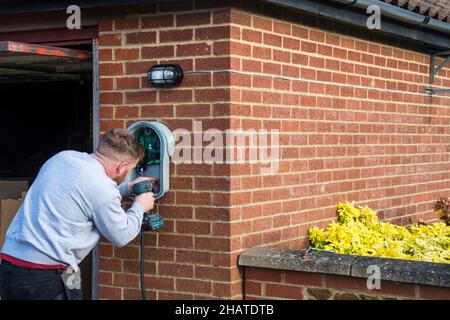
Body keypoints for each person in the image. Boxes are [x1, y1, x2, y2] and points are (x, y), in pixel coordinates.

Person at [0, 128, 156, 300]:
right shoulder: (102, 189)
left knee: (74, 289)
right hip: (45, 273)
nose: (128, 175)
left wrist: (127, 187)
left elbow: (85, 197)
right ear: (122, 166)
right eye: (130, 170)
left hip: (12, 263)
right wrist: (140, 206)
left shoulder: (63, 158)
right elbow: (122, 235)